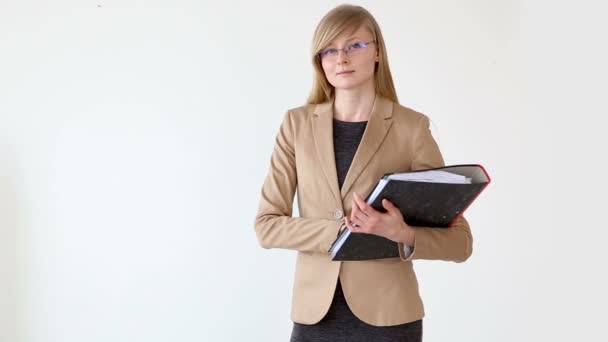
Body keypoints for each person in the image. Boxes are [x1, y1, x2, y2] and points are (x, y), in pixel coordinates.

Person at [254, 4, 473, 342]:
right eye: (329, 49)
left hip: (390, 319)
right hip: (315, 319)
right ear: (319, 60)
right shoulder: (296, 125)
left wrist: (401, 233)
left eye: (355, 45)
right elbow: (267, 226)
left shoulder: (411, 128)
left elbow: (460, 243)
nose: (341, 57)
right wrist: (343, 231)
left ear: (377, 53)